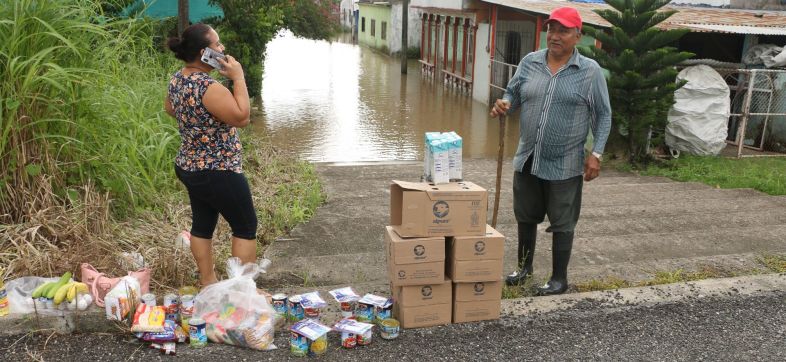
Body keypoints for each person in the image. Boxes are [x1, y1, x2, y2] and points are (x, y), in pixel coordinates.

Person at [490, 7, 611, 295]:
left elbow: (604, 115)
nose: (555, 36)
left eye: (563, 31)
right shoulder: (530, 62)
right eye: (551, 29)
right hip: (528, 157)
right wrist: (504, 103)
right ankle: (524, 268)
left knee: (562, 221)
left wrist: (597, 153)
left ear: (577, 36)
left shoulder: (590, 71)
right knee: (526, 215)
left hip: (565, 161)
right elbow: (513, 93)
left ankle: (559, 279)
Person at [164, 23, 255, 287]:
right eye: (217, 44)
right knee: (245, 227)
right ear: (205, 53)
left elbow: (170, 108)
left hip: (190, 166)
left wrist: (197, 121)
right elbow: (242, 117)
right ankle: (242, 291)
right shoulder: (208, 87)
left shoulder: (178, 79)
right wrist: (238, 78)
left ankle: (208, 281)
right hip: (218, 170)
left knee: (203, 225)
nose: (222, 48)